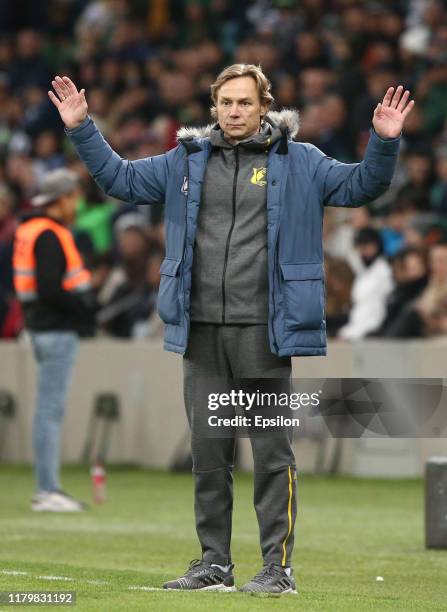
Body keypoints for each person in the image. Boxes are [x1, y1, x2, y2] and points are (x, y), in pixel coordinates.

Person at [48, 66, 413, 593]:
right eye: (226, 103)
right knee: (208, 456)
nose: (235, 112)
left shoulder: (302, 162)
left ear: (264, 106)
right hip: (200, 332)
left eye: (245, 103)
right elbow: (120, 180)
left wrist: (383, 141)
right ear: (213, 106)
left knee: (271, 454)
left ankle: (277, 569)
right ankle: (214, 563)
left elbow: (362, 187)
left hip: (263, 333)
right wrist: (82, 127)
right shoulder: (185, 161)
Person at [13, 168, 96, 512]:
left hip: (38, 328)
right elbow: (51, 288)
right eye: (73, 197)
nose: (76, 203)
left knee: (45, 411)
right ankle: (48, 490)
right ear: (61, 200)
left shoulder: (29, 229)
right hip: (56, 330)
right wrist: (84, 311)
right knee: (49, 412)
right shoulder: (50, 233)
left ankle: (47, 487)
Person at [337, 227, 394, 340]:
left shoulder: (384, 271)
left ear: (377, 246)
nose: (365, 251)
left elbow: (377, 310)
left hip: (372, 331)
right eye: (361, 247)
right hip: (356, 327)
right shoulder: (363, 274)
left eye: (368, 246)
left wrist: (356, 332)